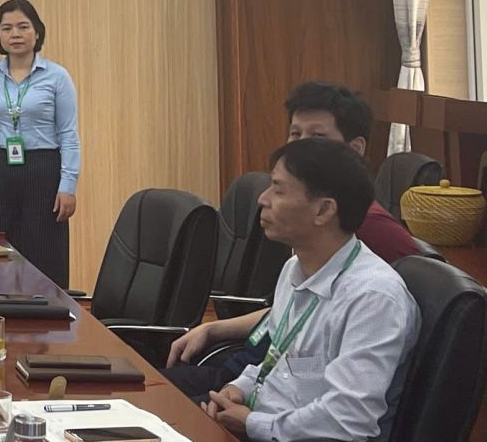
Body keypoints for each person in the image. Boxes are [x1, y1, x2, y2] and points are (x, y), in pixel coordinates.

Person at [164, 82, 421, 400]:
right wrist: (217, 333)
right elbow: (300, 311)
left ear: (354, 149)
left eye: (316, 137)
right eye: (295, 135)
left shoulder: (368, 240)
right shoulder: (299, 251)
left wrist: (254, 419)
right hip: (267, 376)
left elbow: (357, 345)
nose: (300, 148)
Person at [203, 137, 419, 441]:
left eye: (278, 190)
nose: (262, 199)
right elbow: (277, 359)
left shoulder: (373, 297)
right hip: (262, 421)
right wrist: (238, 388)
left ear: (323, 211)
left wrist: (253, 423)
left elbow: (348, 420)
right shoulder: (294, 268)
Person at [0, 0, 79, 288]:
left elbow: (69, 135)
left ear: (37, 32)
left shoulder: (57, 77)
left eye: (23, 26)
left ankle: (48, 314)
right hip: (0, 170)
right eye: (7, 28)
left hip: (43, 170)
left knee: (44, 256)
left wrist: (68, 186)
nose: (15, 34)